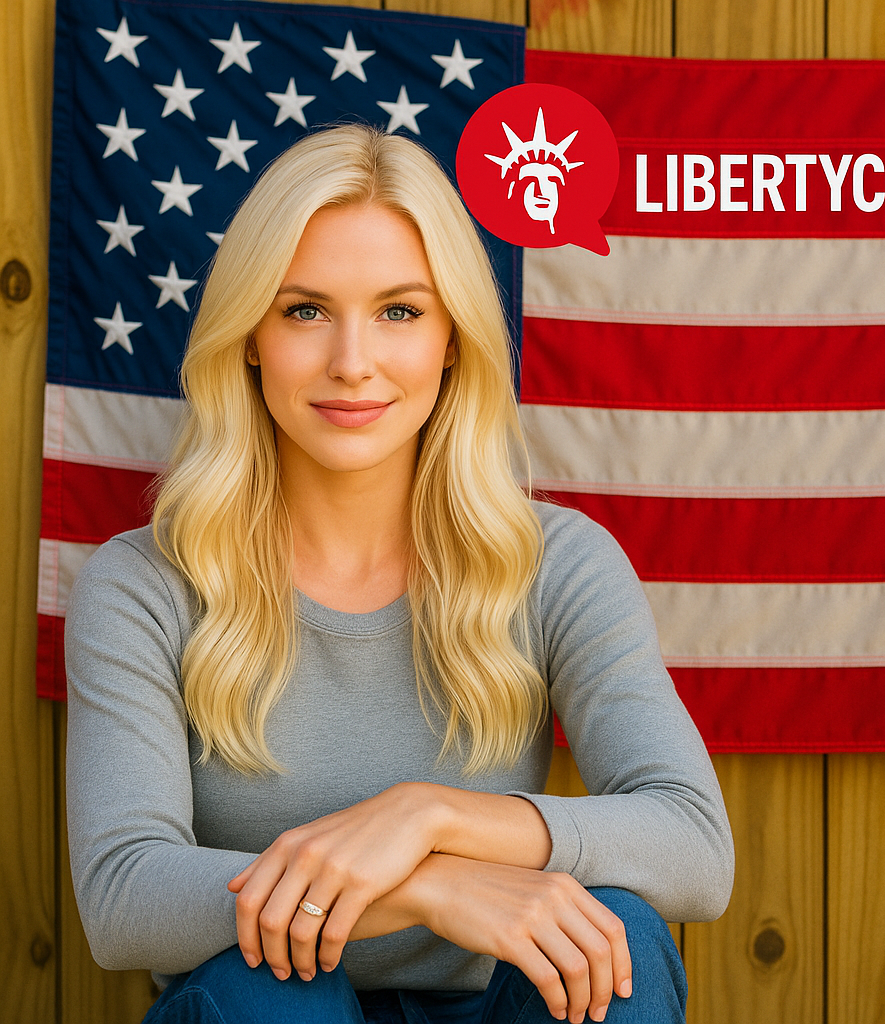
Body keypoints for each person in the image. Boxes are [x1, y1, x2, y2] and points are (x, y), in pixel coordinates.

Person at [64, 124, 733, 1024]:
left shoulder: (558, 564)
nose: (352, 361)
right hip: (268, 1015)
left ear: (453, 338)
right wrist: (427, 892)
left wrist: (429, 820)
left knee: (618, 937)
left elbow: (694, 842)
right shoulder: (141, 586)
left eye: (400, 311)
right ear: (251, 335)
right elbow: (123, 901)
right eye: (304, 309)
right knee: (268, 991)